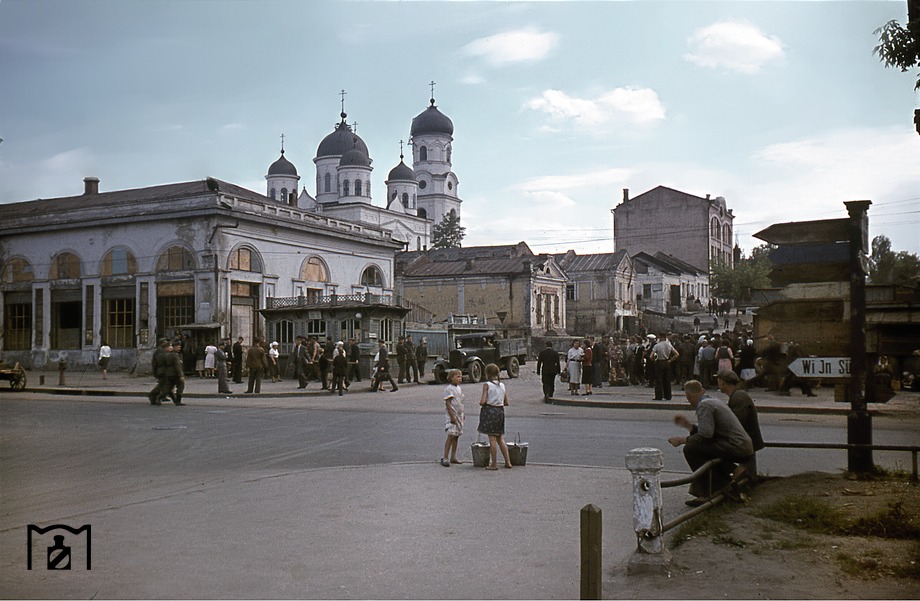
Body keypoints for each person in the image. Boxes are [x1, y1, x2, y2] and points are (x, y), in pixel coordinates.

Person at [668, 380, 754, 506]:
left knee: (690, 449)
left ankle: (717, 487)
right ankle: (731, 472)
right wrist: (687, 425)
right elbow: (708, 433)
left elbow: (705, 436)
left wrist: (681, 440)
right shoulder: (712, 401)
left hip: (736, 447)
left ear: (688, 396)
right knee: (699, 448)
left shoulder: (704, 406)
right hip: (742, 445)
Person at [717, 369, 765, 477]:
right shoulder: (737, 395)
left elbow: (737, 423)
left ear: (722, 382)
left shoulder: (738, 397)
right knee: (747, 470)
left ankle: (748, 486)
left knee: (746, 471)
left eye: (719, 381)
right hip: (746, 441)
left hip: (744, 442)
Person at [478, 363, 512, 470]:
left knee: (492, 438)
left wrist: (483, 402)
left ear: (487, 373)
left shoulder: (487, 385)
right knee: (500, 437)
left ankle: (494, 464)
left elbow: (483, 401)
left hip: (490, 411)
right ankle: (508, 462)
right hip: (500, 411)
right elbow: (506, 402)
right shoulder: (502, 385)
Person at [440, 369, 465, 467]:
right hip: (452, 416)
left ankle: (453, 456)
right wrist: (452, 416)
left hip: (459, 415)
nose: (460, 379)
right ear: (451, 378)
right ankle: (445, 457)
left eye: (461, 377)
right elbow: (448, 404)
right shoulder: (449, 389)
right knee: (451, 435)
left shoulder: (458, 388)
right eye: (457, 377)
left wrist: (462, 414)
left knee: (456, 436)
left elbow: (460, 402)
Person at [651, 334, 679, 401]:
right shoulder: (669, 345)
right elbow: (677, 354)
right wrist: (670, 360)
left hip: (659, 361)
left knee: (659, 380)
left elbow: (651, 355)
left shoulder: (657, 345)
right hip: (667, 362)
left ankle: (659, 396)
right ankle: (668, 395)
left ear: (660, 338)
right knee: (667, 380)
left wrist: (654, 361)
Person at [163, 340, 186, 406]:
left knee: (169, 387)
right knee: (181, 386)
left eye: (179, 347)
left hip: (169, 373)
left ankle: (174, 399)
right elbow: (177, 366)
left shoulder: (167, 354)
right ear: (174, 347)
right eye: (178, 347)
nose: (179, 348)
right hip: (175, 374)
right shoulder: (175, 355)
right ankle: (178, 401)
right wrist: (181, 375)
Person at [148, 338, 170, 405]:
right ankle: (153, 395)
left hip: (162, 371)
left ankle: (161, 396)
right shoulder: (159, 351)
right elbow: (159, 362)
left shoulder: (161, 351)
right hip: (161, 371)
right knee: (161, 385)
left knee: (163, 384)